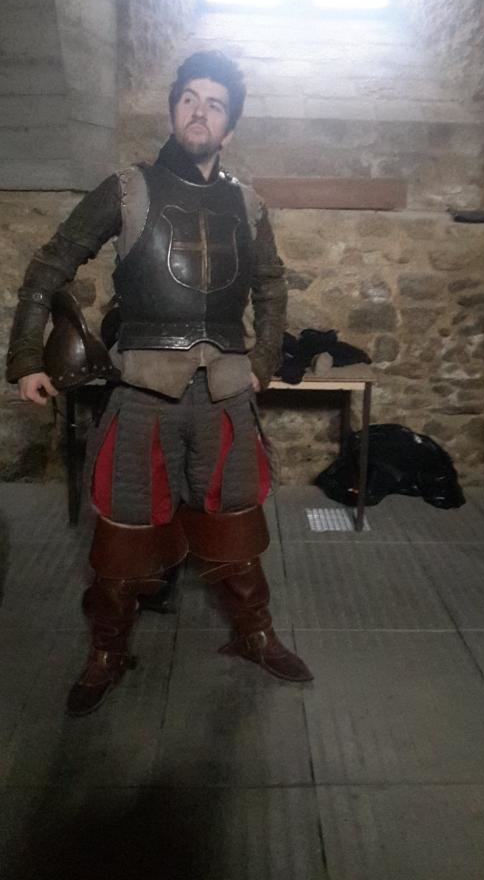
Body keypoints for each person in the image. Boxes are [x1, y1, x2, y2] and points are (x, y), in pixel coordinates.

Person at [6, 50, 312, 716]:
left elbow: (270, 286)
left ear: (229, 126)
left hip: (225, 392)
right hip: (142, 390)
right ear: (174, 110)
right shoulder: (127, 189)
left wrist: (262, 362)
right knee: (123, 531)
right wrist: (26, 356)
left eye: (214, 104)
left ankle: (254, 633)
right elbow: (49, 265)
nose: (199, 112)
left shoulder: (247, 203)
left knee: (235, 521)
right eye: (189, 99)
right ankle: (107, 650)